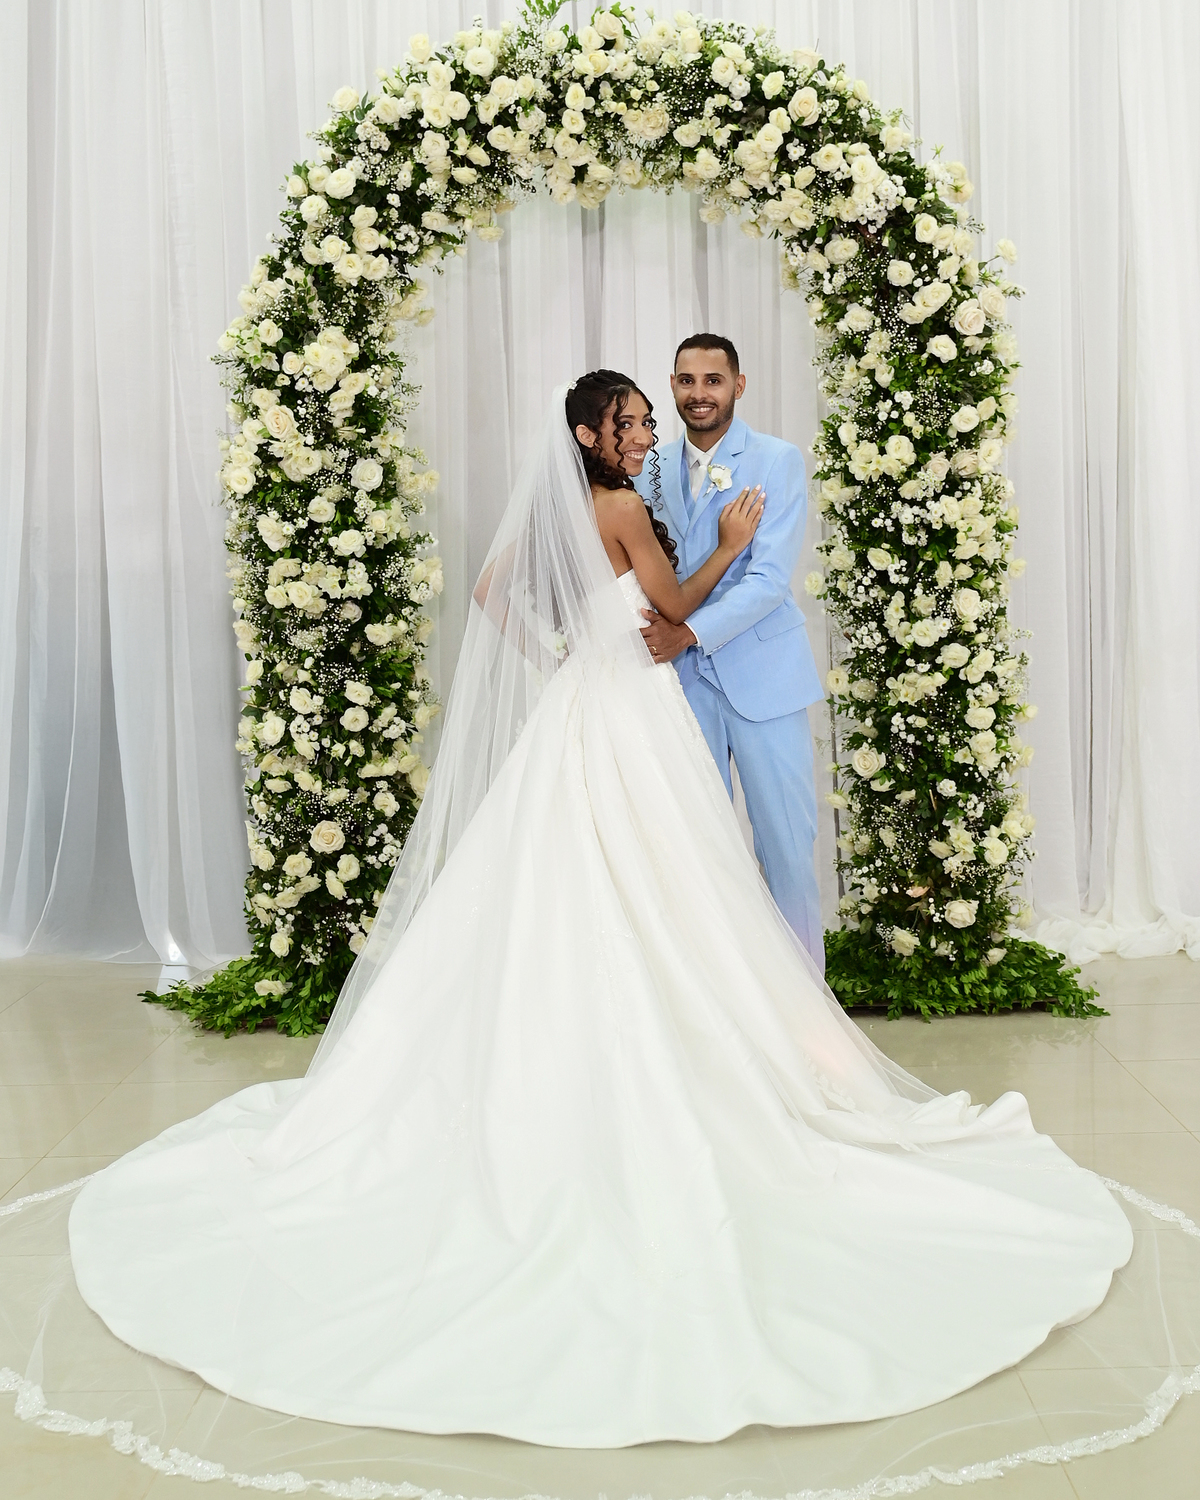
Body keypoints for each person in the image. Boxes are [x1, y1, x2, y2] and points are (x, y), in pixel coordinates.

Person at [67, 374, 1131, 1449]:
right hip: (631, 711)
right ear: (591, 434)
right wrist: (726, 539)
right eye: (631, 420)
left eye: (647, 419)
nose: (647, 430)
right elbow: (673, 611)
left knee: (567, 878)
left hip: (583, 702)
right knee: (666, 875)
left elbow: (490, 593)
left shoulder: (560, 513)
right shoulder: (618, 508)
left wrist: (562, 658)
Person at [636, 334, 826, 969]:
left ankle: (807, 1011)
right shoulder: (650, 467)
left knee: (786, 847)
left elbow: (770, 582)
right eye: (686, 381)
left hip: (763, 679)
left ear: (738, 386)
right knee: (698, 850)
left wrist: (688, 632)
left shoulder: (776, 460)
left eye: (712, 381)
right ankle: (722, 1010)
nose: (699, 394)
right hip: (679, 687)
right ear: (672, 385)